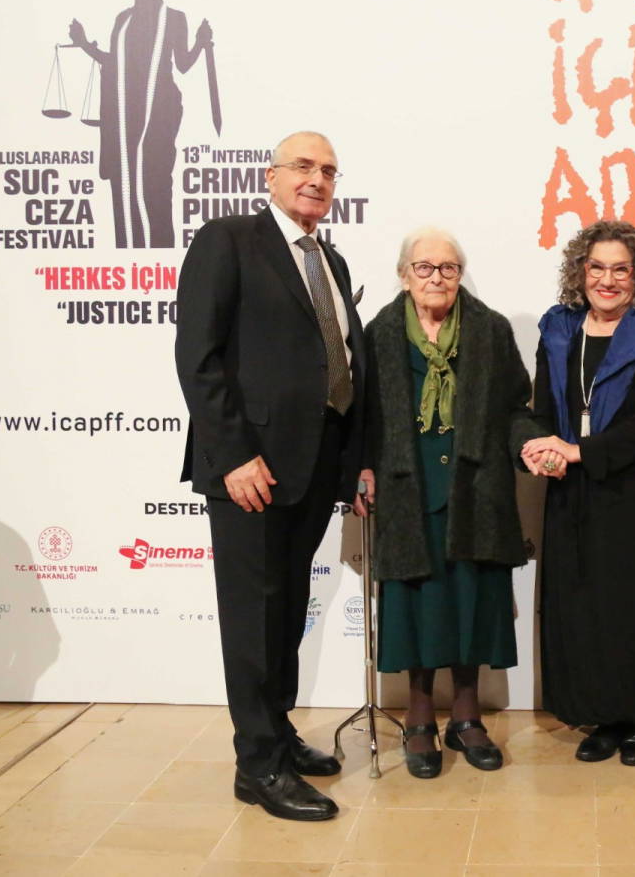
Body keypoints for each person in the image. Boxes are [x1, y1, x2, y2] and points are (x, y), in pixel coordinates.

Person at [175, 131, 364, 821]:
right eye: (304, 166)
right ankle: (257, 766)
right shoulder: (228, 240)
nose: (317, 179)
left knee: (284, 611)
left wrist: (351, 461)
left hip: (310, 465)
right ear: (271, 176)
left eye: (329, 171)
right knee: (254, 618)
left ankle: (276, 735)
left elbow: (339, 361)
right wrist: (232, 456)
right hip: (249, 469)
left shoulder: (329, 260)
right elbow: (198, 357)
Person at [355, 229, 541, 778]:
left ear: (460, 274)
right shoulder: (379, 334)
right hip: (405, 489)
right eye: (424, 267)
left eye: (448, 268)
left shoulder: (491, 330)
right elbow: (361, 416)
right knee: (417, 603)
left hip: (477, 489)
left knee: (470, 601)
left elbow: (515, 407)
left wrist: (530, 443)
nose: (436, 277)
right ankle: (418, 717)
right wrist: (359, 469)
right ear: (404, 275)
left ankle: (465, 715)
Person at [522, 221, 635, 767]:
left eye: (620, 269)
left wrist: (579, 451)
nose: (607, 280)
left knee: (633, 607)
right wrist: (540, 447)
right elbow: (543, 410)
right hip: (574, 495)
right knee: (584, 606)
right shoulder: (559, 330)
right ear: (580, 271)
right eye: (597, 267)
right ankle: (601, 717)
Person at [69, 0, 214, 248]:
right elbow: (114, 62)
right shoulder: (123, 20)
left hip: (162, 110)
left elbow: (183, 64)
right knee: (124, 177)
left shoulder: (174, 18)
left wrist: (200, 43)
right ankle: (129, 247)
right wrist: (83, 44)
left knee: (155, 178)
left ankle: (160, 248)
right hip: (124, 112)